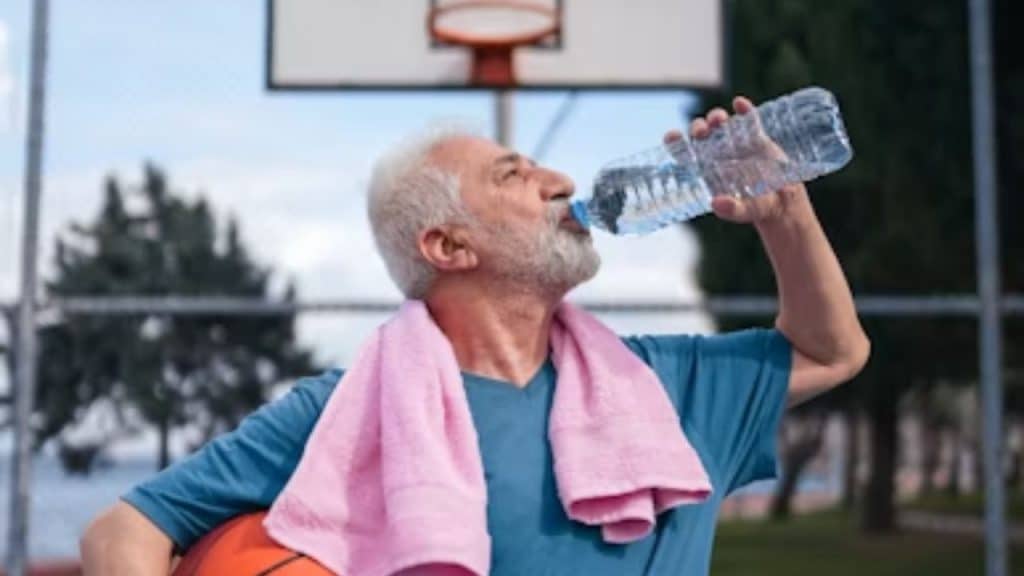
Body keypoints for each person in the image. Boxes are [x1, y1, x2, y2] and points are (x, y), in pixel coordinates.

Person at [80, 96, 869, 576]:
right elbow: (126, 528)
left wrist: (786, 215)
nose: (559, 181)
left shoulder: (664, 384)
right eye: (511, 176)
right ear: (450, 248)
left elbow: (834, 350)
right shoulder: (354, 409)